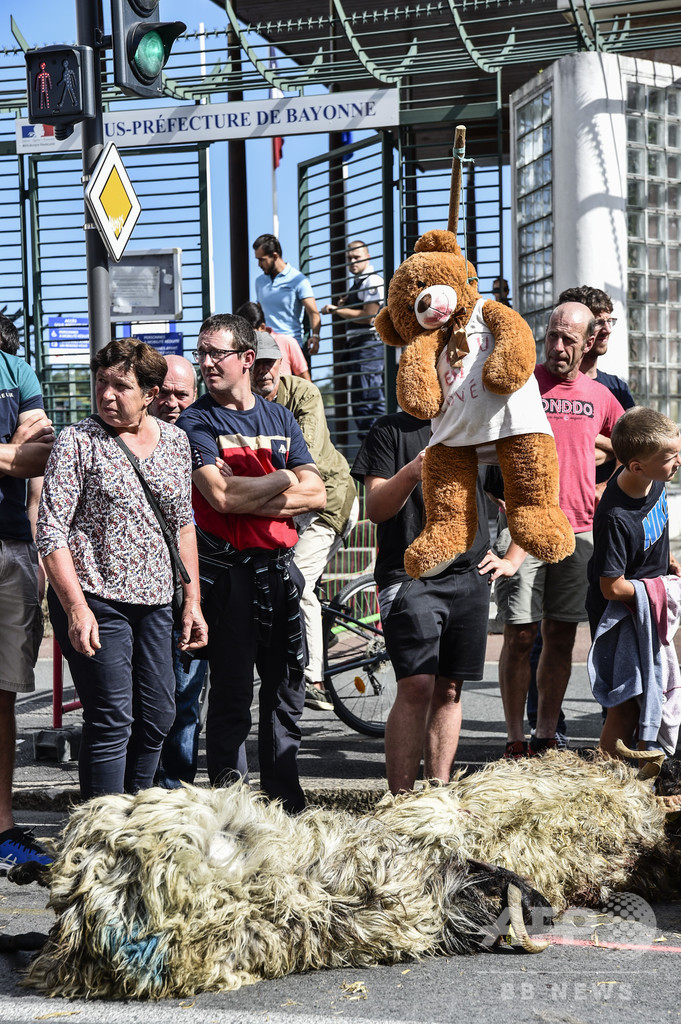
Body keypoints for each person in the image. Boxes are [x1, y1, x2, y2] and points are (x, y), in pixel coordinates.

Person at [37, 339, 207, 799]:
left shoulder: (176, 442)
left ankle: (134, 816)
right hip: (95, 598)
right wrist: (75, 609)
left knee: (158, 716)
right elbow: (51, 532)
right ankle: (100, 832)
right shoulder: (78, 441)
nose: (107, 395)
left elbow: (183, 526)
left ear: (151, 392)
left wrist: (192, 602)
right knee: (112, 719)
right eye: (102, 384)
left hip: (155, 602)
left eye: (121, 386)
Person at [177, 313, 326, 813]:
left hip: (281, 568)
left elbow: (319, 492)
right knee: (232, 697)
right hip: (230, 576)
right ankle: (230, 806)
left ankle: (285, 800)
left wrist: (253, 492)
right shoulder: (197, 421)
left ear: (246, 358)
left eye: (215, 353)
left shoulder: (281, 417)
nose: (206, 363)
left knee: (286, 694)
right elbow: (220, 497)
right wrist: (285, 479)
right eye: (201, 353)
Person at [352, 409, 519, 793]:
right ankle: (400, 802)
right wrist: (413, 470)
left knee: (449, 689)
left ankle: (437, 797)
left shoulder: (475, 426)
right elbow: (376, 508)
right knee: (417, 685)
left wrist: (511, 558)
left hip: (469, 577)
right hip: (408, 575)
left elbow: (521, 501)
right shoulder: (390, 430)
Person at [493, 302, 624, 758]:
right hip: (524, 531)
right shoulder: (523, 383)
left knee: (562, 635)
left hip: (580, 531)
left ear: (589, 342)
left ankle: (547, 733)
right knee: (520, 634)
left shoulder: (600, 396)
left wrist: (603, 485)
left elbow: (631, 449)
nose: (557, 346)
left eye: (569, 339)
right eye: (552, 335)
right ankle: (514, 738)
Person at [251, 333, 358, 712]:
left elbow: (302, 455)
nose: (264, 371)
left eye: (270, 363)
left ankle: (313, 676)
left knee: (298, 581)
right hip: (284, 501)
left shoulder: (303, 394)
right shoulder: (240, 400)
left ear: (281, 364)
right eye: (257, 363)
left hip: (329, 497)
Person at [586, 407, 681, 756]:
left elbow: (656, 530)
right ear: (636, 466)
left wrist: (668, 563)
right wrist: (658, 591)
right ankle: (604, 786)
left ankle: (649, 774)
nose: (678, 462)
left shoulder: (654, 480)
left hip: (652, 609)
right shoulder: (615, 517)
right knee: (625, 705)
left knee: (659, 692)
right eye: (671, 457)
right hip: (620, 617)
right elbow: (610, 586)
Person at [0, 315, 54, 868]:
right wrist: (9, 448)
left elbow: (41, 454)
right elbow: (21, 452)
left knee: (3, 695)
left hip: (11, 547)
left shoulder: (15, 369)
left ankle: (3, 830)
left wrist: (19, 450)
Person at [150, 355, 209, 789]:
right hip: (145, 589)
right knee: (148, 698)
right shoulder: (133, 438)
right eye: (164, 392)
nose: (172, 403)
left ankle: (178, 787)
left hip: (194, 583)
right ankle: (144, 786)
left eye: (181, 394)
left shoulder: (203, 434)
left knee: (187, 697)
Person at [321, 239, 386, 439]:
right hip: (358, 347)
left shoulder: (372, 281)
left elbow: (369, 316)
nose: (352, 262)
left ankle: (380, 447)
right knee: (360, 403)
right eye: (349, 258)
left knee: (369, 400)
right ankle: (371, 449)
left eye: (357, 257)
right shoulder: (358, 283)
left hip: (368, 346)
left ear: (368, 256)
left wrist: (339, 310)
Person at [252, 233, 321, 357]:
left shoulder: (298, 280)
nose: (259, 264)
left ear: (274, 256)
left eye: (262, 259)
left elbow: (313, 312)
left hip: (291, 347)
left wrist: (315, 336)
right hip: (267, 349)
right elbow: (259, 313)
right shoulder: (259, 282)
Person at [236, 300, 311, 381]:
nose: (247, 339)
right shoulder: (239, 349)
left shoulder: (286, 342)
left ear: (262, 328)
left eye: (250, 334)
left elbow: (305, 379)